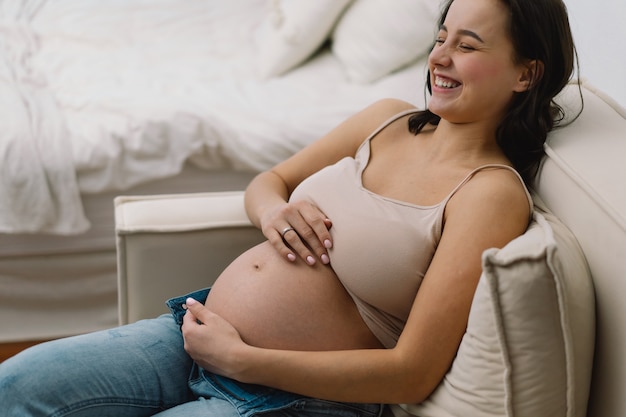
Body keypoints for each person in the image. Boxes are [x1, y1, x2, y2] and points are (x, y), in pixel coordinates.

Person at [0, 0, 580, 415]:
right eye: (441, 36)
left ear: (526, 73)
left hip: (290, 395)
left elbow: (413, 371)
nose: (440, 57)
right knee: (15, 383)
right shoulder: (386, 117)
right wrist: (273, 212)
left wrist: (244, 361)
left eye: (468, 45)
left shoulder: (489, 193)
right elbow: (269, 180)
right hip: (195, 330)